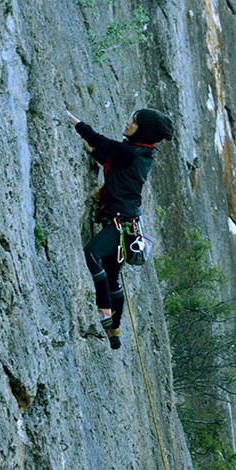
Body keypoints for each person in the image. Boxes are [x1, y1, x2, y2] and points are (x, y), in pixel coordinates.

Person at [66, 107, 174, 349]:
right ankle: (114, 331)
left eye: (133, 122)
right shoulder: (141, 154)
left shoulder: (130, 152)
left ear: (142, 130)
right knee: (112, 274)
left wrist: (75, 121)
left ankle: (104, 308)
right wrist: (94, 152)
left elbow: (101, 142)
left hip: (120, 224)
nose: (127, 123)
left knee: (91, 254)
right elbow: (115, 166)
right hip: (128, 224)